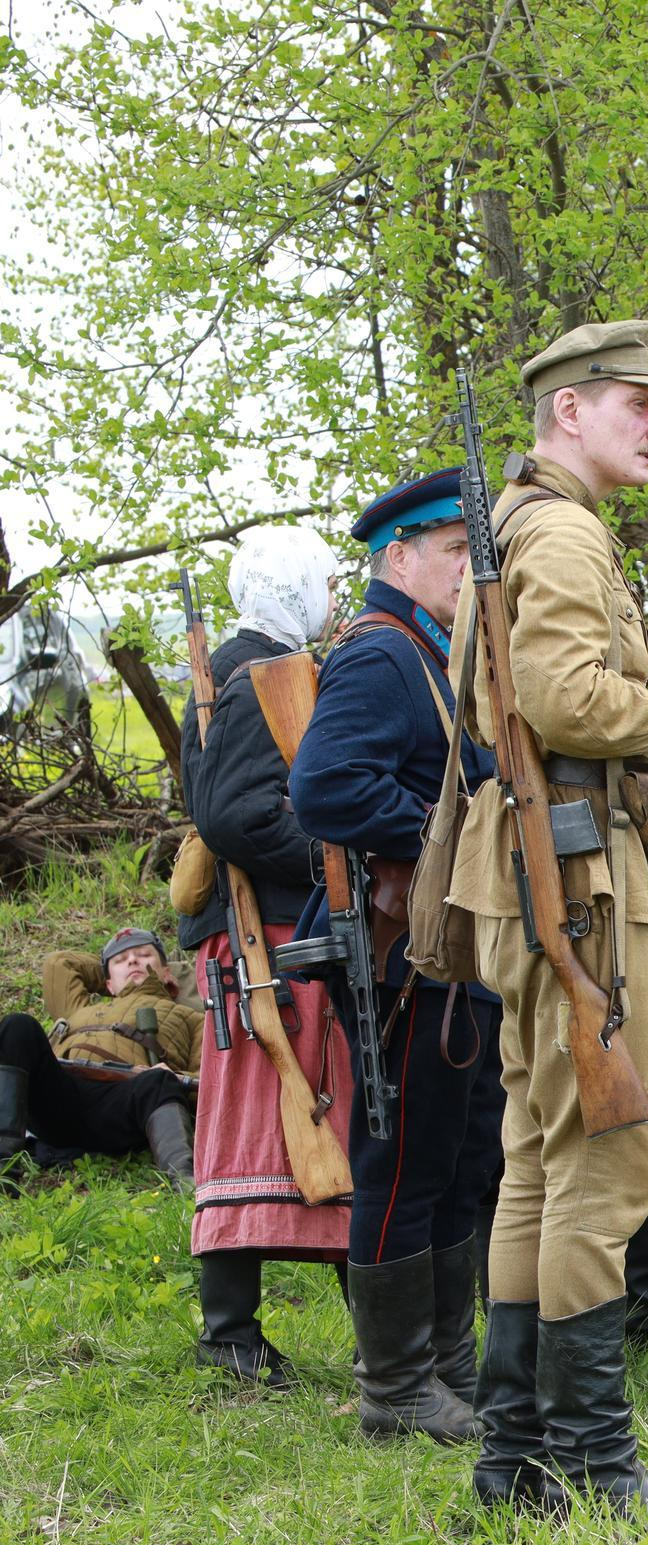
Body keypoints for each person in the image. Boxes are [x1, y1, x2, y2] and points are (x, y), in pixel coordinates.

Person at [449, 320, 648, 1527]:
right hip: (580, 881)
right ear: (570, 411)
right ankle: (595, 1469)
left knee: (539, 1160)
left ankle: (517, 1460)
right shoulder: (561, 532)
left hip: (544, 870)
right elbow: (563, 698)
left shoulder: (520, 523)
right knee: (605, 1163)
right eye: (639, 405)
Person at [287, 467, 506, 1443]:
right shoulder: (382, 653)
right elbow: (326, 788)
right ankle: (395, 1388)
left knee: (457, 1162)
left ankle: (448, 1370)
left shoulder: (436, 654)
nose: (468, 570)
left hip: (447, 948)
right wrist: (449, 837)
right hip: (399, 953)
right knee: (405, 1161)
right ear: (399, 555)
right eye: (455, 552)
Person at [178, 523, 356, 1388]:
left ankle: (379, 1335)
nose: (332, 598)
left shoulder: (248, 670)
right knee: (265, 1117)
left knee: (320, 1112)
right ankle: (232, 1335)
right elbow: (237, 816)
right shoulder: (254, 676)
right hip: (271, 939)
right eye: (323, 582)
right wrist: (337, 860)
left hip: (278, 934)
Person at [0, 929, 198, 1182]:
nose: (132, 960)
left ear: (168, 972)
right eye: (121, 960)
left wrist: (173, 1075)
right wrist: (113, 973)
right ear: (107, 984)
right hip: (60, 1093)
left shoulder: (193, 1017)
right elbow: (60, 964)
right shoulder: (79, 1009)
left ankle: (184, 1181)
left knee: (157, 1081)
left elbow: (211, 1077)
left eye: (144, 955)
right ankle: (4, 1171)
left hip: (124, 1102)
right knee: (18, 1026)